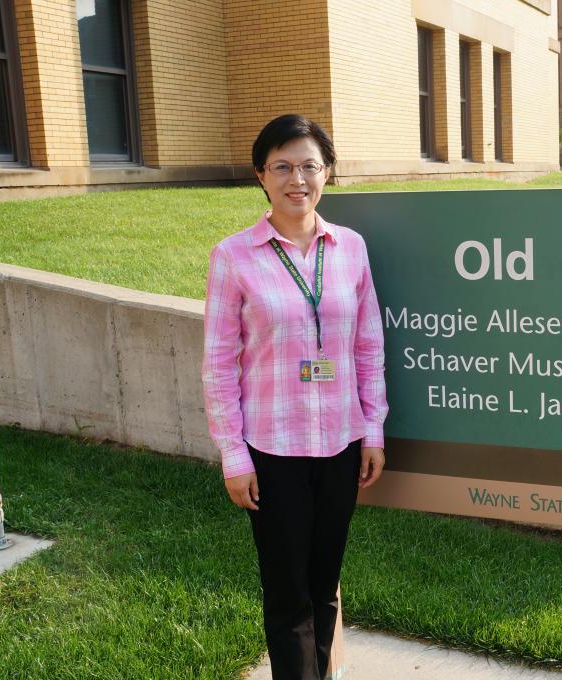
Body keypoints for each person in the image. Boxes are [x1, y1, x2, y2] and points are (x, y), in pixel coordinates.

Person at [202, 114, 387, 680]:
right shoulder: (234, 256)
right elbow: (218, 364)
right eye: (281, 166)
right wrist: (234, 456)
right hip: (273, 451)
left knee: (325, 585)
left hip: (340, 445)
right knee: (288, 596)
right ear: (261, 175)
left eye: (309, 165)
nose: (296, 179)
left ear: (327, 172)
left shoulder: (351, 248)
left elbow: (367, 345)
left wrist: (372, 430)